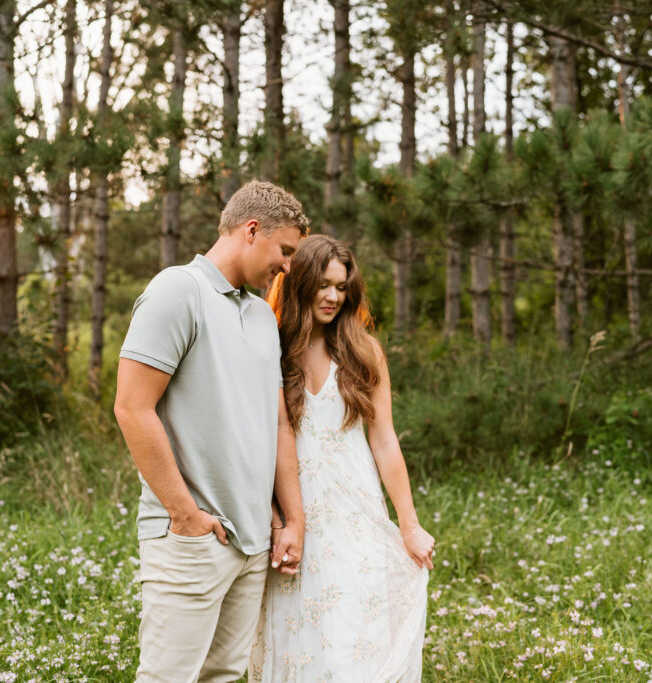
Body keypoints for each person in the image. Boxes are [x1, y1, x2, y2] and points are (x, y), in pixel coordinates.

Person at [113, 180, 310, 682]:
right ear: (250, 230)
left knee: (222, 676)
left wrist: (292, 519)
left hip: (251, 541)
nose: (287, 266)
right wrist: (185, 514)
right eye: (285, 250)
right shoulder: (179, 290)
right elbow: (133, 409)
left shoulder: (262, 315)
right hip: (192, 538)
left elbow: (278, 424)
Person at [249, 235, 434, 682]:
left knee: (352, 643)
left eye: (342, 286)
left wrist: (409, 525)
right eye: (324, 284)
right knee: (299, 643)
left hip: (357, 518)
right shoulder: (269, 347)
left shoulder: (364, 351)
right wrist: (277, 519)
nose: (334, 296)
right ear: (300, 282)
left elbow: (385, 440)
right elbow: (256, 443)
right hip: (296, 521)